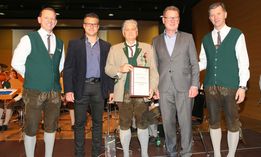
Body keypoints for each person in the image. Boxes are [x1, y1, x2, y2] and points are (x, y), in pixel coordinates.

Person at [11, 7, 65, 157]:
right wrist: (32, 76)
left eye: (53, 18)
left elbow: (60, 66)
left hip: (54, 92)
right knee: (31, 127)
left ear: (56, 22)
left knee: (51, 127)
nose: (50, 21)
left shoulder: (60, 43)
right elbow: (16, 62)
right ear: (39, 20)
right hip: (33, 91)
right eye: (47, 18)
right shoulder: (29, 39)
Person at [198, 2, 250, 157]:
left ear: (225, 14)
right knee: (213, 123)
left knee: (232, 123)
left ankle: (231, 154)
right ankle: (217, 154)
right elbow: (203, 62)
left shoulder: (237, 34)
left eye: (218, 13)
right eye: (212, 15)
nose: (216, 17)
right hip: (210, 87)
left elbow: (243, 62)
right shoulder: (206, 39)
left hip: (231, 87)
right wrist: (187, 66)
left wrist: (242, 86)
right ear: (209, 18)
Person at [105, 19, 159, 157]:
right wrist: (119, 69)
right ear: (123, 33)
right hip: (123, 93)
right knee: (124, 124)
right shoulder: (114, 49)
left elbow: (154, 71)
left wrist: (152, 88)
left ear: (137, 31)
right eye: (127, 29)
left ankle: (145, 153)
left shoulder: (148, 48)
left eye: (133, 29)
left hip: (142, 94)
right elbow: (108, 69)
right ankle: (126, 154)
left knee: (143, 123)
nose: (130, 32)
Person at [63, 13, 114, 157]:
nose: (91, 27)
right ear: (84, 26)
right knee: (79, 124)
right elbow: (68, 69)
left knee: (98, 123)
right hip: (81, 88)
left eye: (94, 24)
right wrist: (68, 90)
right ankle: (79, 154)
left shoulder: (106, 46)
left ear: (98, 27)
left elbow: (108, 70)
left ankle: (96, 153)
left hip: (99, 88)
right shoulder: (74, 44)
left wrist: (111, 90)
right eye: (88, 24)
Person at [152, 6, 199, 157]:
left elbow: (194, 63)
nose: (172, 20)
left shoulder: (188, 37)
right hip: (164, 88)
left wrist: (195, 84)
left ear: (179, 20)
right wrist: (154, 87)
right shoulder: (156, 41)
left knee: (186, 124)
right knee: (167, 123)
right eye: (169, 18)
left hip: (185, 88)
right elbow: (154, 67)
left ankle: (186, 153)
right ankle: (171, 152)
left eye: (175, 18)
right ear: (163, 20)